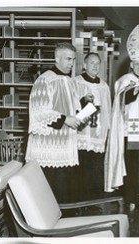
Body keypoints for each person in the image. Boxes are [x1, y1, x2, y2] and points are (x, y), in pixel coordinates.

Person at [104, 25, 139, 212]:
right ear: (131, 64)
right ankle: (130, 199)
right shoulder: (124, 81)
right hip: (131, 131)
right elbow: (122, 99)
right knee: (132, 165)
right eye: (136, 63)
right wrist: (137, 90)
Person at [25, 42, 87, 204]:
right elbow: (39, 111)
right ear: (56, 58)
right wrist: (66, 119)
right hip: (50, 145)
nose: (71, 64)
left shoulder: (70, 81)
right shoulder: (45, 80)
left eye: (73, 60)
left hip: (66, 144)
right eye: (68, 59)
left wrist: (83, 112)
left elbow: (72, 108)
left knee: (64, 188)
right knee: (50, 190)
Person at [74, 52, 111, 203]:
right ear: (84, 65)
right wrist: (83, 100)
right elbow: (71, 106)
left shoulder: (104, 86)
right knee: (81, 169)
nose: (95, 66)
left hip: (97, 135)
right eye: (91, 63)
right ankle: (79, 201)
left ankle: (93, 202)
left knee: (95, 169)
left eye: (97, 63)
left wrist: (106, 130)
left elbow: (107, 109)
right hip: (81, 134)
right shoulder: (76, 82)